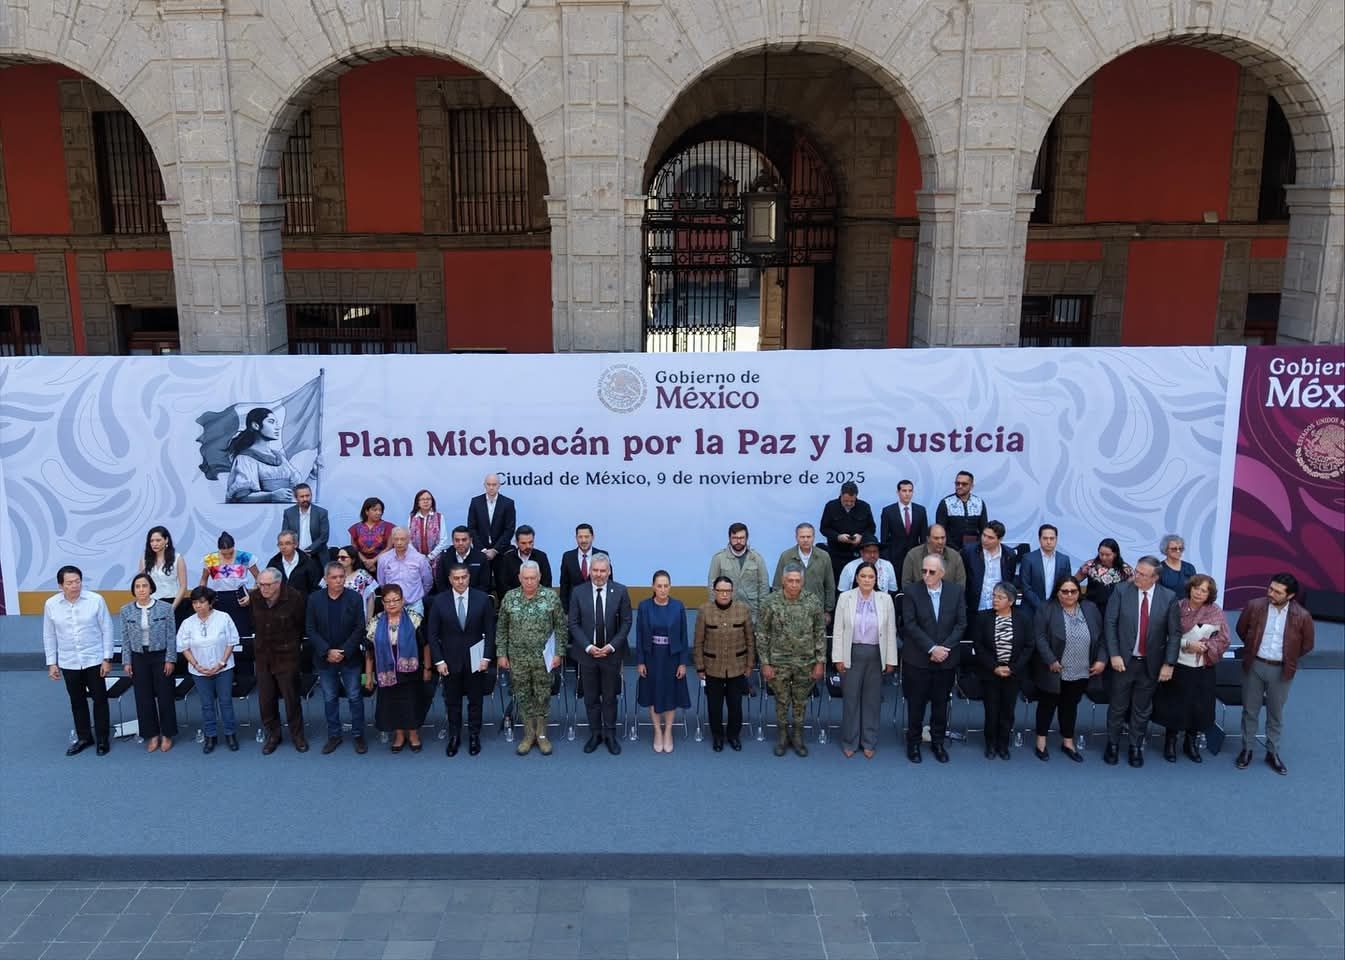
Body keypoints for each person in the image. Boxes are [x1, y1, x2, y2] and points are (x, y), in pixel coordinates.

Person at [1102, 556, 1181, 768]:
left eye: (1142, 574)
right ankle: (1112, 744)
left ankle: (1135, 746)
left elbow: (1174, 633)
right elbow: (1110, 624)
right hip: (1123, 662)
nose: (1136, 576)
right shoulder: (1121, 591)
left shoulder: (1169, 597)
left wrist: (1169, 664)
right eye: (1136, 571)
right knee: (1117, 706)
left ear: (1155, 578)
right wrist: (1114, 654)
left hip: (1150, 664)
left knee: (1142, 708)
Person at [1235, 573, 1314, 776]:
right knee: (1249, 710)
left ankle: (1272, 752)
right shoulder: (1254, 606)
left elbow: (1307, 645)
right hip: (1254, 665)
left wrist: (1288, 657)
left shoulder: (1302, 616)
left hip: (1281, 670)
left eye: (1278, 592)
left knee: (1275, 714)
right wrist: (1253, 649)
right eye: (1270, 588)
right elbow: (1241, 630)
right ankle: (1247, 749)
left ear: (1290, 596)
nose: (1271, 593)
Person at [1154, 574, 1229, 764]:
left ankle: (1190, 743)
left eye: (1204, 590)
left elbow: (1224, 639)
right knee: (1174, 706)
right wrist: (1188, 644)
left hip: (1203, 668)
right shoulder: (1177, 607)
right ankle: (1170, 742)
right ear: (1190, 588)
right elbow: (1165, 635)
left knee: (1199, 707)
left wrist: (1207, 646)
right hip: (1179, 665)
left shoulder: (1216, 612)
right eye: (1196, 588)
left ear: (1209, 594)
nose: (1199, 593)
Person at [900, 555, 967, 764]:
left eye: (931, 572)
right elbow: (910, 624)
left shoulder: (956, 592)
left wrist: (943, 649)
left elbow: (961, 624)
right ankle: (913, 742)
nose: (926, 575)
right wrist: (931, 648)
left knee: (940, 704)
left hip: (946, 659)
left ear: (942, 573)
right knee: (916, 704)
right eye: (924, 571)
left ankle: (938, 742)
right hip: (918, 659)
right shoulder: (911, 592)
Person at [497, 561, 568, 756]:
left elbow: (561, 627)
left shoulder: (550, 597)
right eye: (526, 578)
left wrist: (559, 653)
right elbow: (501, 627)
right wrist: (501, 653)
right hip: (518, 658)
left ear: (539, 578)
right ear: (519, 578)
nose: (529, 582)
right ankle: (528, 735)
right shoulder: (510, 598)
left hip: (543, 659)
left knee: (542, 696)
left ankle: (542, 735)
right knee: (523, 696)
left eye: (533, 578)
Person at [1031, 576, 1105, 763]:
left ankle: (1068, 742)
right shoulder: (1046, 608)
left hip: (1081, 668)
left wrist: (1101, 660)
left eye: (1073, 591)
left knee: (1070, 706)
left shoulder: (1090, 608)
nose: (1069, 595)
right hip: (1054, 668)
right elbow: (1039, 637)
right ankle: (1041, 741)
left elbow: (1102, 636)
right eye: (1065, 591)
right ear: (1057, 592)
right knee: (1047, 705)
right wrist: (1050, 660)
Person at [44, 566, 115, 757]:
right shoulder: (51, 604)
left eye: (77, 581)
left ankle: (102, 739)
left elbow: (107, 629)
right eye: (69, 583)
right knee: (77, 701)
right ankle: (84, 737)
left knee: (100, 700)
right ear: (61, 586)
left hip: (94, 659)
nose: (75, 585)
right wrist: (52, 663)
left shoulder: (95, 600)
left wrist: (107, 658)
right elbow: (49, 635)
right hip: (69, 661)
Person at [428, 563, 497, 757]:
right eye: (456, 578)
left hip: (476, 659)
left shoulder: (482, 599)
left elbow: (490, 631)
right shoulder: (439, 601)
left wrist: (486, 657)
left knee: (475, 701)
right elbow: (432, 634)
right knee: (452, 702)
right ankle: (454, 736)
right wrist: (439, 661)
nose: (460, 581)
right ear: (450, 580)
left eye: (464, 577)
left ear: (469, 577)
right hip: (449, 661)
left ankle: (474, 735)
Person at [757, 565, 826, 758]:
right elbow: (762, 634)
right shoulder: (770, 602)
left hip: (806, 662)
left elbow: (820, 633)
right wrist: (765, 663)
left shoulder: (813, 601)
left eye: (797, 581)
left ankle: (797, 736)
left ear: (802, 582)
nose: (794, 584)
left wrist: (820, 662)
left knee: (800, 701)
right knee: (781, 700)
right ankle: (782, 736)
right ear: (783, 580)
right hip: (778, 662)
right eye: (790, 580)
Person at [832, 562, 898, 759]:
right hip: (851, 652)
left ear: (876, 579)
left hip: (877, 654)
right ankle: (850, 741)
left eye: (871, 577)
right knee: (851, 699)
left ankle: (869, 741)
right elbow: (838, 630)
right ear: (856, 578)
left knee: (872, 700)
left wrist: (891, 659)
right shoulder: (845, 598)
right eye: (863, 576)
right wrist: (838, 657)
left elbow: (890, 631)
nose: (867, 580)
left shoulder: (885, 599)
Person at [569, 554, 633, 755]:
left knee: (610, 696)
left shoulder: (620, 591)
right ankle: (595, 733)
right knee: (590, 697)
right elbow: (573, 623)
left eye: (602, 571)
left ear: (609, 571)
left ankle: (610, 734)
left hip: (611, 654)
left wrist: (612, 646)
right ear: (589, 571)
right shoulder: (578, 592)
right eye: (595, 570)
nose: (598, 574)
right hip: (587, 654)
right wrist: (588, 647)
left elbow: (627, 622)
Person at [306, 561, 368, 755]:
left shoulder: (354, 598)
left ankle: (358, 735)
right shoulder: (314, 599)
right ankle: (334, 735)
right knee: (330, 697)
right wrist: (327, 651)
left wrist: (344, 651)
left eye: (341, 577)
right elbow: (310, 629)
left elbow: (360, 627)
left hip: (350, 657)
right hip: (325, 659)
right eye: (334, 577)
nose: (339, 581)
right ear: (326, 579)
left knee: (354, 696)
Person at [247, 568, 308, 754]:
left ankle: (297, 735)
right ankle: (273, 735)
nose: (263, 589)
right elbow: (252, 623)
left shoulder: (294, 597)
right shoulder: (255, 597)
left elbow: (301, 625)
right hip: (263, 656)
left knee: (291, 699)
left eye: (267, 585)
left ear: (278, 584)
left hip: (287, 656)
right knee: (266, 700)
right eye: (260, 585)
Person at [972, 582, 1034, 760]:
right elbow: (979, 646)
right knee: (991, 710)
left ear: (1011, 601)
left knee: (1008, 710)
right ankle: (990, 743)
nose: (995, 600)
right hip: (990, 671)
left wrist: (1012, 668)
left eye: (1000, 597)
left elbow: (1029, 646)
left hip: (1013, 673)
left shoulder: (1023, 619)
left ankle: (1003, 744)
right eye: (994, 596)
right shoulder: (983, 617)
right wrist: (994, 667)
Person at [363, 583, 428, 753]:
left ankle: (413, 734)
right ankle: (399, 735)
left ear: (403, 600)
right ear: (383, 603)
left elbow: (425, 645)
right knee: (392, 703)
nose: (392, 604)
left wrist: (427, 669)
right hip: (386, 670)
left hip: (411, 670)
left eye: (396, 600)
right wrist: (368, 676)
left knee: (411, 701)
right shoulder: (375, 622)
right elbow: (369, 652)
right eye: (388, 601)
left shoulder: (414, 619)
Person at [176, 586, 241, 754]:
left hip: (224, 669)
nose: (198, 606)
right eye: (195, 603)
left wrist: (221, 663)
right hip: (199, 671)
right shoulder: (187, 623)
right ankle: (210, 735)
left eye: (202, 602)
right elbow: (183, 647)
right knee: (206, 704)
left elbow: (232, 642)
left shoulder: (223, 618)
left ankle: (230, 733)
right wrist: (196, 665)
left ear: (210, 603)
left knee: (225, 702)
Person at [119, 573, 179, 753]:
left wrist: (170, 659)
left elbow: (171, 636)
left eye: (144, 586)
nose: (141, 589)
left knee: (165, 696)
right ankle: (152, 734)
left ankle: (167, 734)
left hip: (160, 656)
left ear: (151, 588)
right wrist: (126, 661)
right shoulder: (126, 610)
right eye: (137, 586)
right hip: (138, 657)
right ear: (133, 590)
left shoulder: (165, 608)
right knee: (143, 698)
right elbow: (125, 638)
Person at [694, 577, 755, 752]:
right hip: (712, 667)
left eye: (728, 591)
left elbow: (750, 640)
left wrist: (749, 665)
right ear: (714, 591)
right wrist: (700, 666)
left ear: (732, 591)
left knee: (735, 706)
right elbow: (698, 641)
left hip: (737, 667)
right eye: (720, 591)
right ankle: (718, 736)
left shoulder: (743, 610)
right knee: (714, 706)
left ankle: (733, 736)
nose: (724, 594)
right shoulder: (704, 611)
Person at [635, 570, 690, 754]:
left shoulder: (678, 606)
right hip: (651, 657)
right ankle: (657, 731)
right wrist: (640, 661)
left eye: (666, 586)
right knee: (654, 693)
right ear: (653, 587)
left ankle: (668, 731)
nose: (663, 589)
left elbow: (683, 636)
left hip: (672, 657)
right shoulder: (644, 606)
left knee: (671, 693)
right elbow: (639, 635)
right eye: (659, 586)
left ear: (670, 587)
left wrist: (683, 662)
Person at [225, 406, 305, 503]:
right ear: (256, 425)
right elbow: (241, 496)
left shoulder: (279, 457)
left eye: (276, 423)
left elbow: (297, 486)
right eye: (271, 422)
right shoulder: (245, 458)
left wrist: (313, 475)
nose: (277, 427)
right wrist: (271, 496)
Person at [771, 523, 836, 625]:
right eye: (802, 537)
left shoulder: (824, 557)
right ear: (796, 538)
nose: (805, 540)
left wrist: (828, 611)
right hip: (790, 612)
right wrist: (780, 609)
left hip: (816, 612)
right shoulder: (786, 556)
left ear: (813, 537)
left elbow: (830, 586)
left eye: (808, 537)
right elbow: (777, 585)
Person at [705, 522, 770, 622]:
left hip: (752, 613)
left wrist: (762, 613)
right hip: (726, 613)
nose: (738, 541)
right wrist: (715, 612)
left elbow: (764, 586)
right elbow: (712, 587)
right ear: (729, 538)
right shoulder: (719, 558)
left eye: (741, 538)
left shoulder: (757, 558)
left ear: (747, 538)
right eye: (735, 538)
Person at [199, 532, 259, 638]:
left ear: (234, 547)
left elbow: (259, 578)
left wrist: (251, 596)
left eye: (230, 553)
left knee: (241, 630)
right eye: (224, 554)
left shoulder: (245, 557)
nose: (227, 556)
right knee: (220, 632)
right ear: (219, 549)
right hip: (217, 598)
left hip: (240, 597)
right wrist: (202, 597)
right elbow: (204, 580)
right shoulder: (210, 559)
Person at [963, 521, 1019, 621]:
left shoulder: (1009, 555)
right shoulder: (969, 552)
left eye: (990, 538)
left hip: (999, 609)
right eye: (984, 535)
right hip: (974, 608)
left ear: (1000, 539)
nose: (985, 540)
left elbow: (1009, 581)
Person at [819, 481, 876, 578]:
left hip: (857, 554)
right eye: (846, 501)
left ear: (856, 496)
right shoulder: (831, 506)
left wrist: (861, 537)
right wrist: (838, 537)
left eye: (852, 501)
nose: (849, 503)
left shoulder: (864, 507)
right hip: (836, 554)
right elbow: (824, 528)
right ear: (840, 495)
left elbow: (871, 528)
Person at [376, 526, 433, 617]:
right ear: (392, 540)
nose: (399, 542)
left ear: (408, 540)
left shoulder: (420, 559)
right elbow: (382, 583)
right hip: (391, 605)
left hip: (414, 605)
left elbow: (427, 582)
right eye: (396, 539)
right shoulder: (383, 559)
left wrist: (418, 596)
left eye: (402, 539)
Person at [139, 526, 188, 626]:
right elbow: (142, 584)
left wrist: (172, 608)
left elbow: (183, 586)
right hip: (151, 604)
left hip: (172, 602)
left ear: (166, 540)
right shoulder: (145, 558)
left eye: (158, 540)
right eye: (151, 541)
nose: (154, 544)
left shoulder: (177, 558)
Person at [1020, 524, 1071, 619]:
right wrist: (1041, 606)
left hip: (1056, 609)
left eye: (1052, 538)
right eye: (1045, 538)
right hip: (1031, 609)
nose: (1048, 542)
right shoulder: (1028, 558)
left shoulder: (1064, 560)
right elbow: (1025, 586)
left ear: (1056, 539)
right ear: (1039, 539)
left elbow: (1067, 585)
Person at [467, 473, 517, 565]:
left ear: (499, 485)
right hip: (480, 552)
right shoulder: (475, 502)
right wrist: (482, 549)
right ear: (484, 485)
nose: (491, 487)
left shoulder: (508, 503)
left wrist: (495, 550)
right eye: (488, 484)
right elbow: (471, 528)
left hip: (501, 552)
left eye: (494, 485)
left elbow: (509, 529)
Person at [1074, 538, 1133, 615]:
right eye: (1101, 554)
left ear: (1115, 554)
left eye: (1108, 555)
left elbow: (1132, 589)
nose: (1104, 557)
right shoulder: (1090, 565)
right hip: (1092, 609)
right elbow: (1073, 581)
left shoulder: (1125, 569)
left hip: (1116, 610)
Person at [879, 480, 928, 570]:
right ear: (898, 492)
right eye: (904, 491)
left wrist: (923, 557)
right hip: (894, 558)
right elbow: (884, 539)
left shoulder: (921, 510)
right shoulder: (888, 511)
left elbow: (924, 538)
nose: (907, 494)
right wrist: (887, 560)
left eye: (910, 491)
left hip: (915, 557)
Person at [900, 524, 967, 589]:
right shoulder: (912, 556)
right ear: (928, 539)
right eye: (936, 538)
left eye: (943, 538)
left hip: (949, 596)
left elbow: (960, 586)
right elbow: (906, 585)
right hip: (919, 596)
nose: (940, 542)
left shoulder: (955, 557)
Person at [493, 525, 553, 596]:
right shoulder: (507, 558)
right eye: (523, 543)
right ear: (516, 542)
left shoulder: (541, 557)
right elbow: (502, 585)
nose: (528, 546)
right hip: (513, 599)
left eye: (530, 542)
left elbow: (547, 583)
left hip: (538, 599)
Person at [558, 523, 604, 613]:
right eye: (580, 537)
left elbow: (609, 583)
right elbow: (564, 586)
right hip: (574, 608)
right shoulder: (567, 557)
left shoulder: (602, 555)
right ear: (576, 538)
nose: (583, 540)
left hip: (597, 608)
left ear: (593, 537)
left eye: (587, 537)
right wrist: (565, 611)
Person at [935, 470, 987, 548]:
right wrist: (953, 549)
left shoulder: (979, 502)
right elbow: (941, 529)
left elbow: (984, 529)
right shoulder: (946, 502)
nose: (960, 486)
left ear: (971, 486)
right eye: (957, 483)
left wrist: (976, 547)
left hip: (974, 549)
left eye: (964, 484)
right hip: (950, 549)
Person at [408, 489, 450, 583]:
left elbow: (444, 541)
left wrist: (430, 557)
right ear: (417, 502)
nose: (426, 501)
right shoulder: (412, 517)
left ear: (432, 501)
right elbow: (409, 540)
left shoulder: (439, 517)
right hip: (417, 560)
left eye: (428, 499)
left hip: (436, 559)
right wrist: (419, 557)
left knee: (437, 584)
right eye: (422, 499)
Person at [434, 526, 491, 594]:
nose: (460, 543)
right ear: (452, 541)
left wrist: (468, 596)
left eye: (464, 540)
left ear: (470, 540)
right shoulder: (445, 556)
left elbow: (484, 585)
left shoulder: (481, 557)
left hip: (475, 596)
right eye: (457, 540)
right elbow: (441, 583)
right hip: (450, 596)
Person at [282, 482, 330, 563]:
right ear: (296, 498)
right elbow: (285, 535)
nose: (305, 499)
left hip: (317, 556)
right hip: (295, 556)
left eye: (307, 496)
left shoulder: (321, 512)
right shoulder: (289, 513)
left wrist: (308, 551)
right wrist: (298, 552)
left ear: (311, 495)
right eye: (302, 496)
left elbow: (324, 537)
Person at [266, 530, 322, 597]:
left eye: (287, 543)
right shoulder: (273, 562)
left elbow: (315, 588)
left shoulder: (308, 562)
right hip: (279, 602)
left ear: (295, 544)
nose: (283, 547)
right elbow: (267, 584)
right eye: (281, 544)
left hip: (302, 602)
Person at [348, 497, 394, 575]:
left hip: (382, 563)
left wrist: (374, 560)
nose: (378, 513)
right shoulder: (355, 528)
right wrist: (365, 561)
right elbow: (354, 547)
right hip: (361, 564)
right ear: (366, 511)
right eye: (375, 510)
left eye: (380, 510)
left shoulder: (388, 527)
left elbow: (389, 547)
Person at [336, 546, 379, 620]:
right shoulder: (332, 574)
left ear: (353, 560)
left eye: (343, 558)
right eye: (338, 557)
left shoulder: (362, 574)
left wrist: (369, 619)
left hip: (358, 618)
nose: (339, 560)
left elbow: (370, 597)